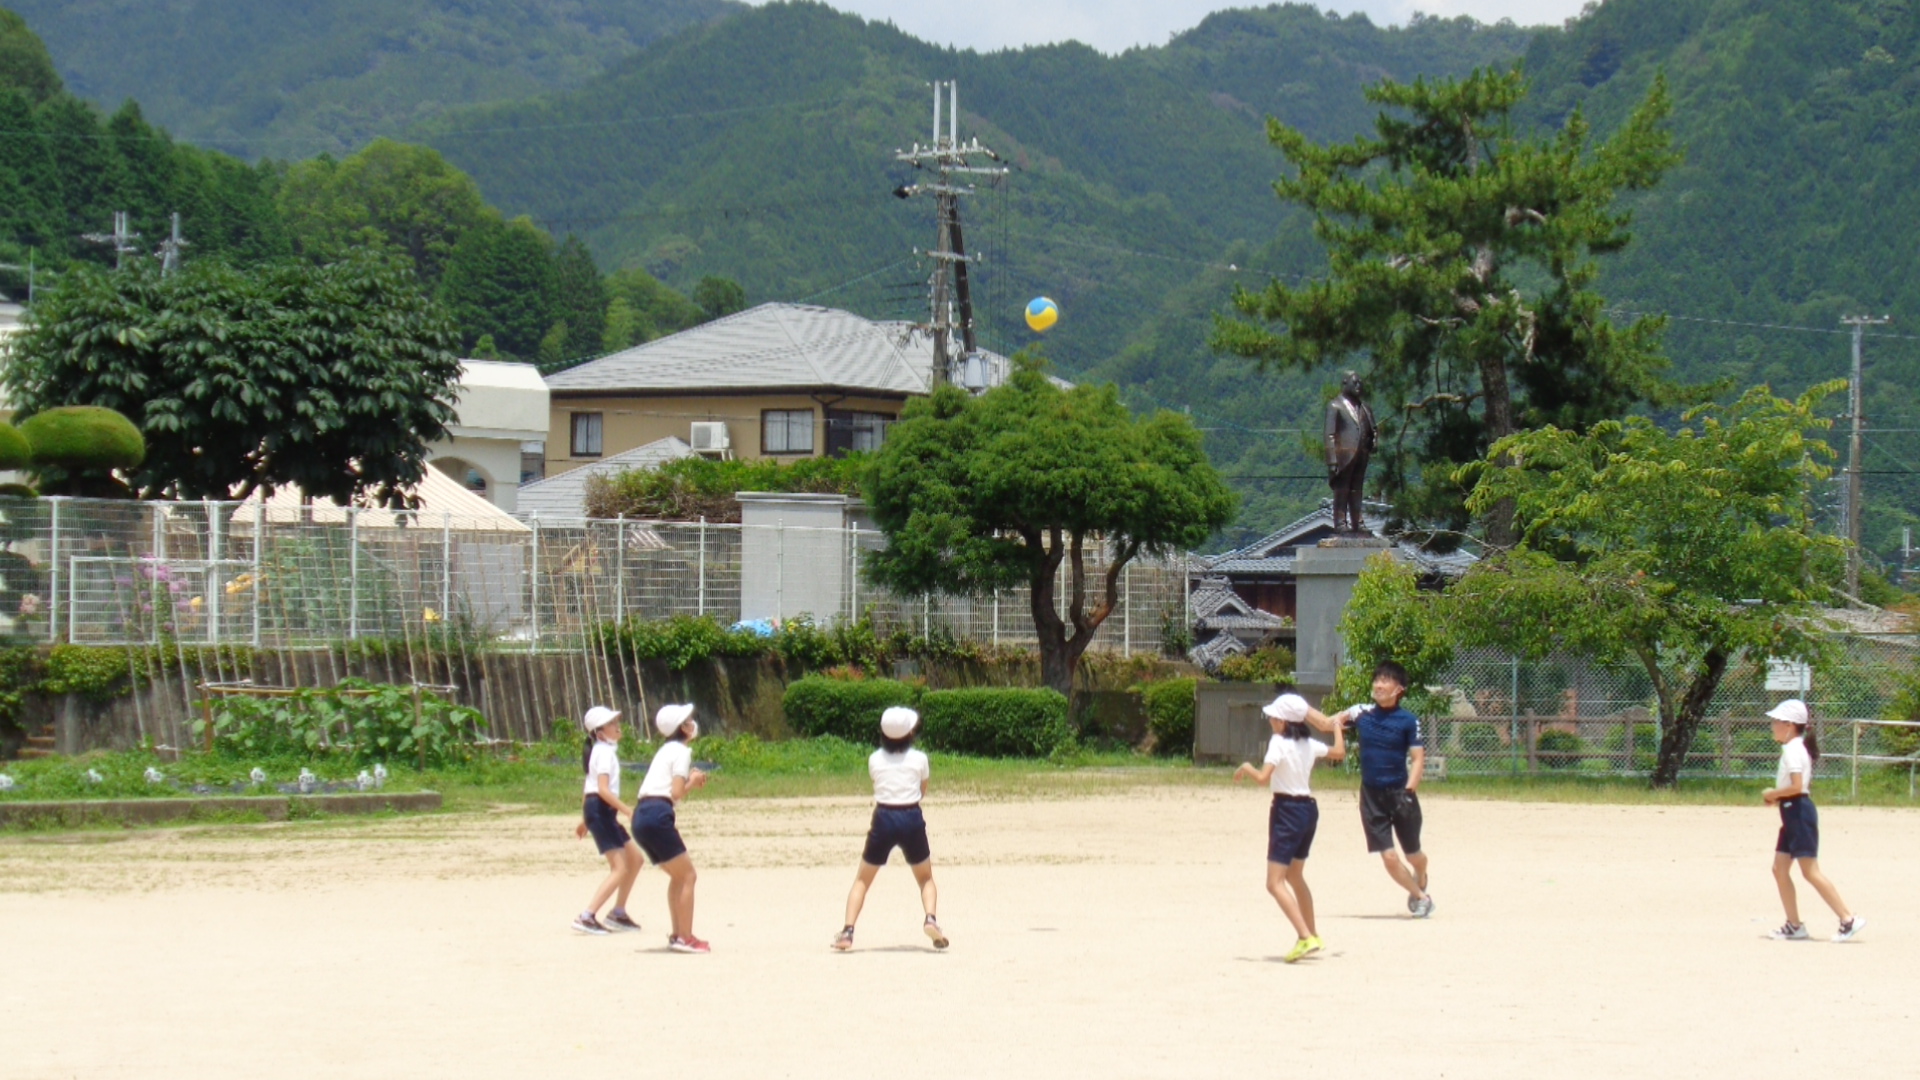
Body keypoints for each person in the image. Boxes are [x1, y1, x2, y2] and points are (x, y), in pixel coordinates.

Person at [1233, 692, 1346, 962]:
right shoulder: (1309, 744)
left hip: (1286, 811)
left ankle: (1305, 937)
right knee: (1295, 875)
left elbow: (1262, 778)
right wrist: (1338, 728)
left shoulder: (1278, 743)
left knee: (1274, 883)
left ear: (1284, 723)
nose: (1271, 720)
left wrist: (1246, 767)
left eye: (1274, 717)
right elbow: (1339, 753)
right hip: (1308, 810)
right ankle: (1312, 933)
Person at [832, 706, 947, 952]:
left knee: (863, 879)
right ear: (909, 734)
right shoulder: (920, 759)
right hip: (911, 816)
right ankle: (931, 919)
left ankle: (848, 931)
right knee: (925, 877)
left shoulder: (874, 759)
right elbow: (922, 790)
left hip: (884, 817)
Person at [1762, 699, 1865, 943]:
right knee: (1779, 869)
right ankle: (1794, 925)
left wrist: (1772, 794)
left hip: (1798, 813)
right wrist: (1778, 798)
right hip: (1791, 813)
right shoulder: (1794, 747)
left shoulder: (1794, 750)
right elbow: (1794, 787)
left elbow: (1797, 786)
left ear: (1789, 725)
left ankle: (1848, 918)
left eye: (1776, 722)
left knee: (1810, 871)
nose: (1772, 726)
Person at [1337, 661, 1434, 917]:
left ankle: (1421, 875)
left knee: (1414, 855)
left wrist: (1409, 791)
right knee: (1389, 856)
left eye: (1385, 681)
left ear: (1399, 688)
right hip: (1371, 796)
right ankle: (1421, 897)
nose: (1378, 685)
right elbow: (1329, 722)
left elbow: (1418, 759)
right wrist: (1298, 710)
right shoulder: (1361, 713)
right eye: (1377, 680)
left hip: (1401, 794)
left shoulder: (1408, 721)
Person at [633, 703, 711, 953]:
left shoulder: (665, 750)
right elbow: (676, 793)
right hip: (657, 814)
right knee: (688, 875)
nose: (692, 723)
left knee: (678, 876)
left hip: (641, 815)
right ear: (684, 728)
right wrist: (693, 781)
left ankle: (679, 933)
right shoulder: (681, 752)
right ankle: (685, 937)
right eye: (688, 720)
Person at [572, 706, 644, 935]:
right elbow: (602, 790)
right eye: (611, 723)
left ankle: (618, 913)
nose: (617, 725)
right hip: (602, 810)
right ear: (600, 733)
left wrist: (586, 819)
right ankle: (587, 916)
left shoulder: (602, 751)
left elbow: (589, 787)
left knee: (636, 859)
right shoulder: (603, 752)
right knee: (620, 868)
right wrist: (628, 810)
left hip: (600, 811)